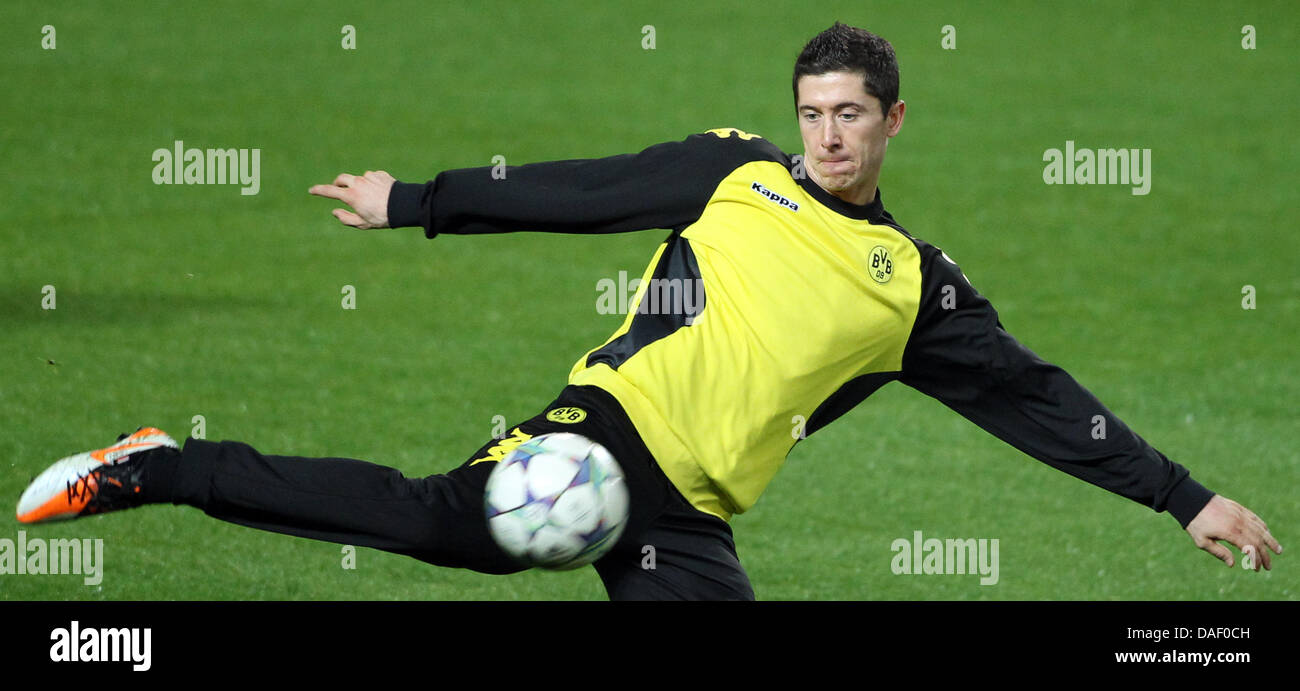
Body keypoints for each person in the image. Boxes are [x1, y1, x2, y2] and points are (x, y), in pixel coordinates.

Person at [16, 23, 1280, 599]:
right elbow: (588, 190)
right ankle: (162, 468)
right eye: (812, 112)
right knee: (440, 526)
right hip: (603, 430)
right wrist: (419, 200)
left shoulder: (919, 293)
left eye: (849, 115)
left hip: (691, 513)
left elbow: (1036, 400)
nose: (826, 134)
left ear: (894, 123)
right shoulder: (735, 172)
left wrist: (1185, 496)